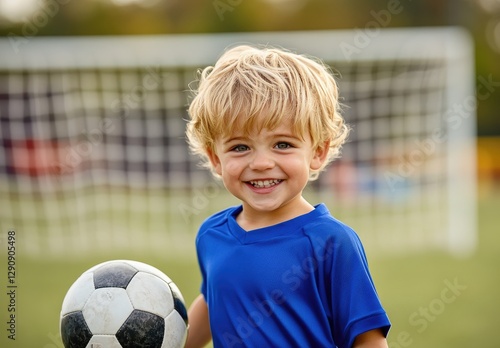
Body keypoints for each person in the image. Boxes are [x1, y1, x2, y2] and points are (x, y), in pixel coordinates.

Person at [184, 44, 391, 348]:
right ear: (215, 159)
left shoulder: (332, 243)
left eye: (282, 144)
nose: (261, 163)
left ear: (318, 152)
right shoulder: (211, 235)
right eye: (240, 147)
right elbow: (212, 298)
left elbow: (367, 340)